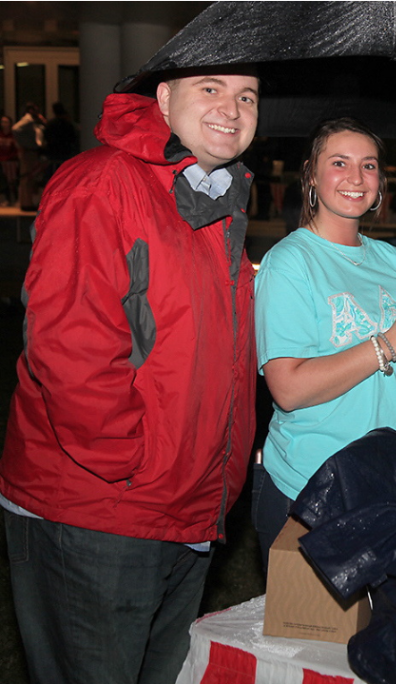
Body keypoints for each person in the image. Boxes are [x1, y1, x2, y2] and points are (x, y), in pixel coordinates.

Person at [0, 68, 261, 684]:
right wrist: (129, 461)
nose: (232, 107)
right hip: (102, 508)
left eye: (247, 96)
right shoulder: (102, 184)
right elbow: (70, 345)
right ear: (164, 99)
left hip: (185, 505)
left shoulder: (215, 197)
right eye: (212, 89)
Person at [253, 118, 396, 572]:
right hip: (315, 491)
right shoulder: (289, 263)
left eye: (369, 165)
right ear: (312, 177)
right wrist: (388, 343)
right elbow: (288, 388)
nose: (356, 178)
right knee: (315, 642)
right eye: (339, 163)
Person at [11, 102, 45, 211]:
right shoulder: (28, 119)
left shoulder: (33, 122)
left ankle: (27, 201)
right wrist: (22, 143)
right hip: (28, 151)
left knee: (29, 177)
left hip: (31, 151)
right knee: (27, 177)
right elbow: (16, 129)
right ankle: (26, 203)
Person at [42, 101, 79, 178]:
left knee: (53, 174)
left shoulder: (51, 124)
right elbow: (73, 137)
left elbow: (46, 137)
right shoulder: (67, 124)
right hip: (66, 152)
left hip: (53, 153)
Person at [0, 115, 18, 206]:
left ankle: (15, 199)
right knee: (3, 181)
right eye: (2, 122)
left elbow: (16, 149)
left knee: (12, 181)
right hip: (1, 162)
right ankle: (6, 199)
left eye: (6, 122)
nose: (4, 124)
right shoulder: (0, 134)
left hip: (10, 162)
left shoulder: (13, 135)